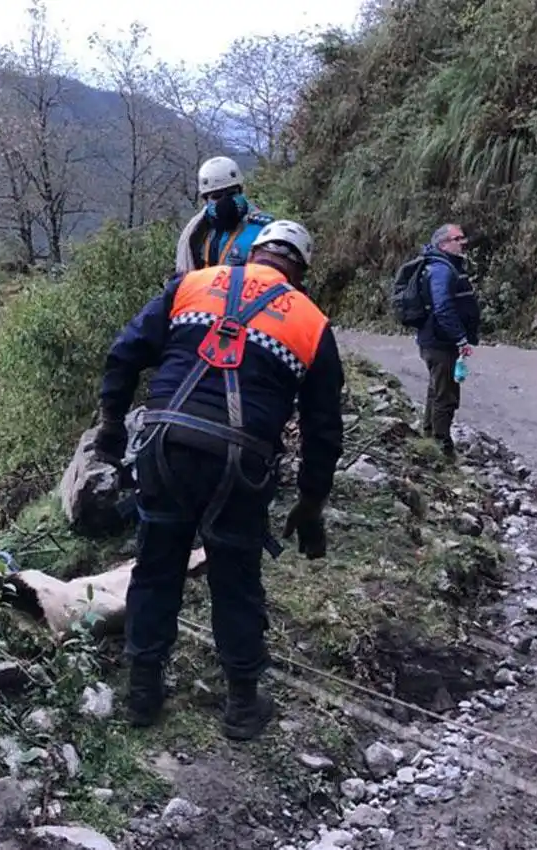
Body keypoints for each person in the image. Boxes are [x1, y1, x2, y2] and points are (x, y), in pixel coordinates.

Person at [94, 220, 345, 740]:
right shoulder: (312, 322)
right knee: (235, 577)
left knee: (157, 565)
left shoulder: (191, 284)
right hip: (240, 464)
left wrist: (111, 429)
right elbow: (324, 429)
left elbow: (124, 353)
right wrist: (311, 504)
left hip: (164, 448)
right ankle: (242, 704)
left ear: (253, 253)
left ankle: (142, 694)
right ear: (300, 270)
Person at [416, 223, 481, 459]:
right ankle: (441, 449)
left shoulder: (443, 266)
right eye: (458, 238)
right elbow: (443, 307)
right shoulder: (442, 270)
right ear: (443, 244)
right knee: (446, 395)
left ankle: (429, 439)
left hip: (436, 340)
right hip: (440, 343)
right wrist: (460, 338)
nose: (463, 242)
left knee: (437, 390)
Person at [173, 156, 276, 274]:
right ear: (205, 200)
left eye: (231, 193)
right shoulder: (195, 232)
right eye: (216, 196)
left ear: (241, 191)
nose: (225, 202)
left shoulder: (264, 230)